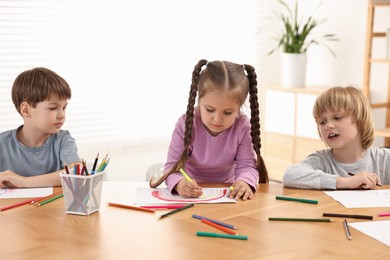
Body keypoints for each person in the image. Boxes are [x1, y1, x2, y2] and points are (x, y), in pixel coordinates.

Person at [149, 59, 268, 200]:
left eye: (228, 112)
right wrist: (180, 184)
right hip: (190, 195)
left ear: (239, 108)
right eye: (210, 109)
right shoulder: (185, 123)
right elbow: (172, 168)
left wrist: (244, 182)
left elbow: (247, 166)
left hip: (227, 193)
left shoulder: (242, 126)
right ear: (199, 101)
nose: (217, 119)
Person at [283, 86, 390, 189]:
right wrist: (347, 182)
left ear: (360, 120)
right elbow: (290, 175)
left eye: (337, 118)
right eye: (322, 122)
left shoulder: (384, 159)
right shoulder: (322, 161)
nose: (328, 126)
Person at [0, 67, 80, 188]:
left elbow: (76, 171)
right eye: (53, 108)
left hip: (53, 206)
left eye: (64, 108)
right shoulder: (2, 143)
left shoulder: (63, 139)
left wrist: (24, 182)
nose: (62, 115)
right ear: (26, 110)